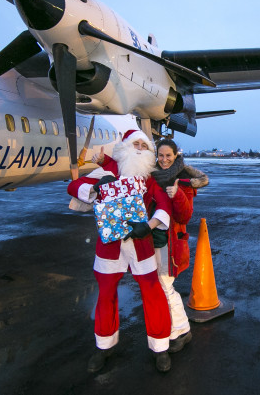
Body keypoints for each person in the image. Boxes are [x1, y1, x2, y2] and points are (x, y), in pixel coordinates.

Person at [67, 129, 174, 373]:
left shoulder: (148, 179)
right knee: (105, 294)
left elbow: (164, 204)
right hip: (109, 245)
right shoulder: (108, 171)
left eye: (143, 145)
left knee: (152, 291)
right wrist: (96, 188)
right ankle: (104, 346)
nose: (138, 148)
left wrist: (148, 226)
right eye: (134, 143)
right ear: (124, 146)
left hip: (141, 242)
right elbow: (74, 186)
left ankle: (161, 347)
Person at [149, 138, 209, 353]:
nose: (164, 160)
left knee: (165, 287)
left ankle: (181, 332)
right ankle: (174, 330)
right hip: (151, 241)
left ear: (176, 156)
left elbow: (185, 216)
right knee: (158, 287)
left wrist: (178, 196)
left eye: (168, 155)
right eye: (161, 155)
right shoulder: (151, 176)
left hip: (171, 243)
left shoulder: (183, 179)